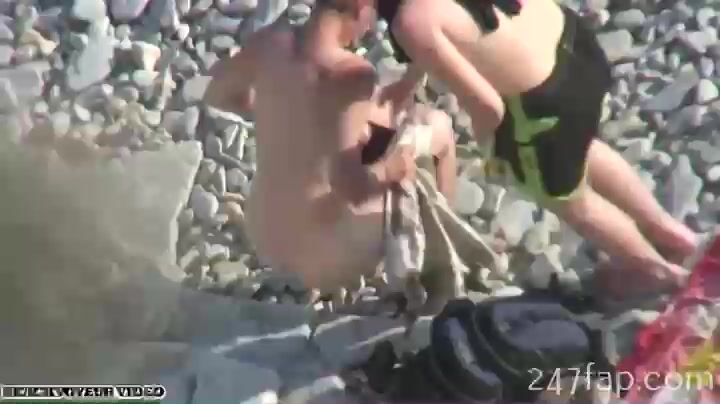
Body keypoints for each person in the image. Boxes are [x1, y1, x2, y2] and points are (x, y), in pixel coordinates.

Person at [376, 0, 698, 297]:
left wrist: (491, 149)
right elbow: (446, 31)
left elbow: (488, 106)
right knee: (583, 148)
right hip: (575, 44)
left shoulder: (411, 21)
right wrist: (409, 81)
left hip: (547, 103)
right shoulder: (417, 19)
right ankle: (670, 232)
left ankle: (660, 274)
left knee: (571, 202)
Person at [203, 0, 457, 293]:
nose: (370, 26)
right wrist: (392, 169)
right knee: (436, 129)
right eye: (374, 13)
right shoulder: (351, 73)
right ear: (360, 7)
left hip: (265, 236)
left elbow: (217, 93)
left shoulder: (270, 42)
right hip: (324, 256)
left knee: (376, 136)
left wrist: (278, 114)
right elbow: (352, 188)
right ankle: (442, 267)